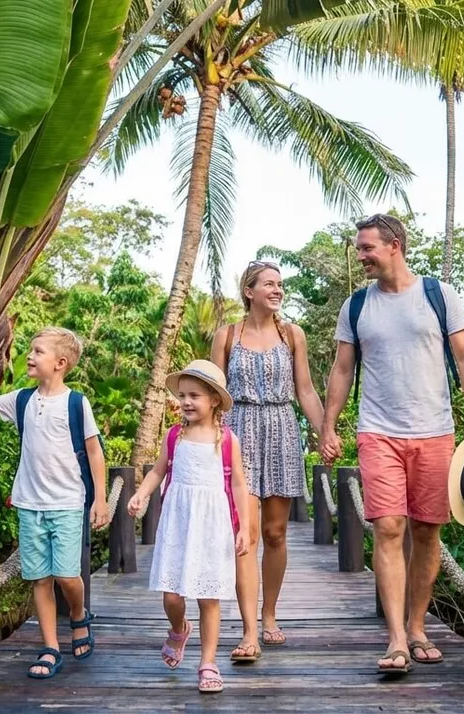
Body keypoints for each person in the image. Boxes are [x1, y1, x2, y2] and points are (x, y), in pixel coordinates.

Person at [319, 214, 464, 674]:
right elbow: (341, 370)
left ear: (394, 246)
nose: (361, 256)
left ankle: (417, 626)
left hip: (434, 430)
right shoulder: (357, 306)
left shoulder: (438, 296)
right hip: (378, 431)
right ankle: (395, 637)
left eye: (367, 248)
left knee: (426, 530)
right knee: (389, 527)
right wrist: (329, 426)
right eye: (359, 248)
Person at [0, 327, 110, 680]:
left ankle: (77, 613)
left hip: (68, 502)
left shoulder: (76, 403)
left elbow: (94, 451)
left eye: (38, 351)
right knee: (40, 578)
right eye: (31, 349)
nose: (30, 355)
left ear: (60, 363)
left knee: (67, 576)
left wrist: (99, 499)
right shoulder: (22, 400)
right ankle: (50, 647)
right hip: (30, 503)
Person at [210, 260, 324, 661]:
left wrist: (326, 430)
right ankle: (247, 631)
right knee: (247, 534)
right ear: (249, 291)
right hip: (239, 431)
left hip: (281, 429)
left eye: (280, 285)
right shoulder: (226, 336)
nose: (277, 290)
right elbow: (214, 394)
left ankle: (270, 615)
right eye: (269, 284)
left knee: (276, 533)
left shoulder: (293, 334)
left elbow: (306, 391)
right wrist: (208, 441)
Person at [127, 359, 251, 693]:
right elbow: (158, 471)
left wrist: (245, 527)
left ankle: (208, 662)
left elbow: (239, 484)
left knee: (209, 596)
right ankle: (179, 628)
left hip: (212, 526)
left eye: (194, 395)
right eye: (182, 395)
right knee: (172, 595)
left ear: (213, 400)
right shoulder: (174, 436)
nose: (186, 402)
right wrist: (141, 493)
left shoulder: (226, 440)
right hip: (178, 524)